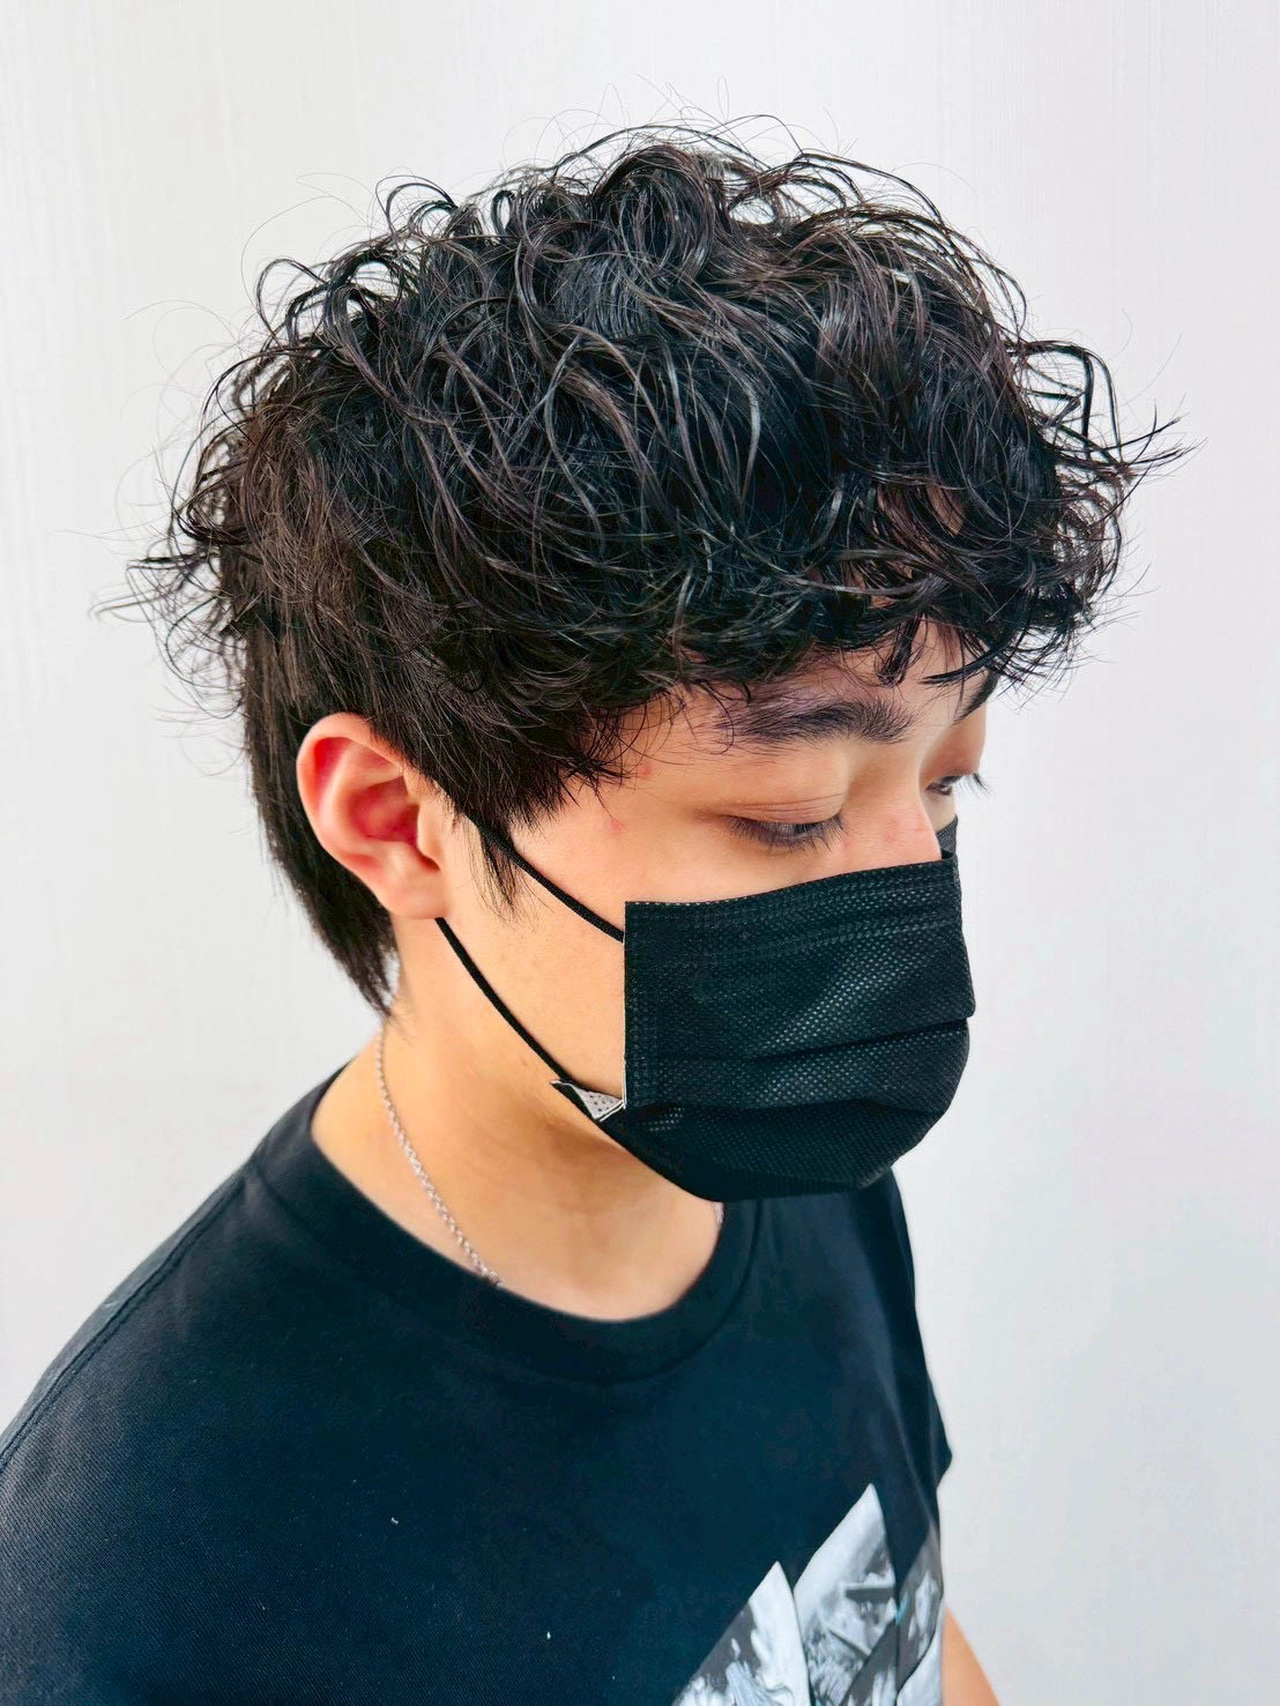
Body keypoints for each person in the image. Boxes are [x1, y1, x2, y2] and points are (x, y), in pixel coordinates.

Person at [0, 123, 1183, 1703]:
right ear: (397, 817)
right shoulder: (140, 1586)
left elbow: (902, 1624)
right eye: (792, 816)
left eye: (949, 785)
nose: (907, 899)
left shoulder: (794, 1162)